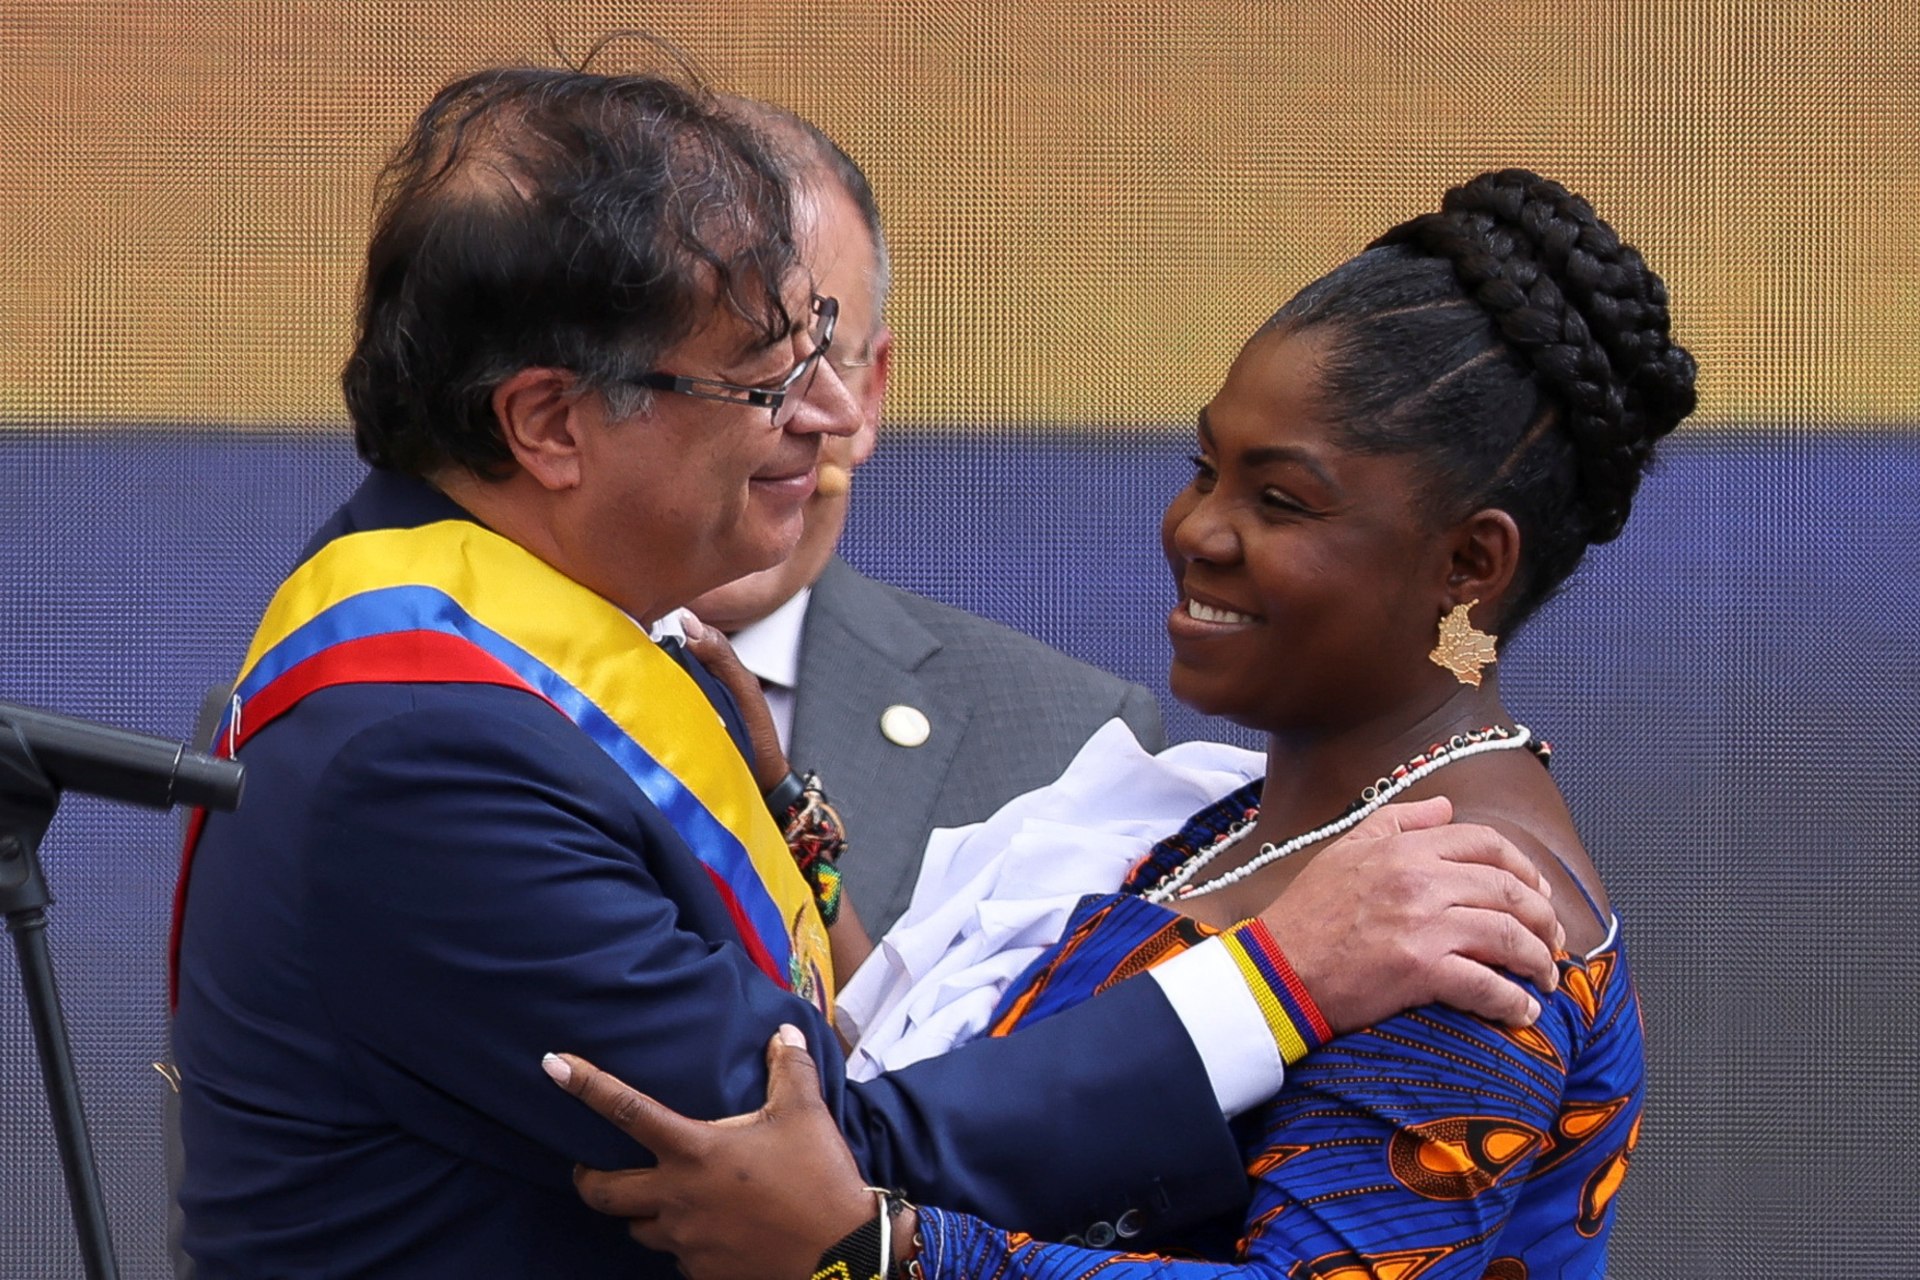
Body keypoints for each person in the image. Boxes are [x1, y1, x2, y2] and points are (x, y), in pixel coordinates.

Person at [167, 65, 1565, 1278]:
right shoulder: (431, 746)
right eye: (763, 378)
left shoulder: (522, 640)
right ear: (549, 423)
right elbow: (816, 1170)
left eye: (824, 353)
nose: (825, 416)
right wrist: (1276, 984)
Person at [551, 167, 1697, 1279]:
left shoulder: (1473, 918)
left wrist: (879, 1251)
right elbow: (967, 1072)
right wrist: (786, 824)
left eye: (1280, 500)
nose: (1197, 528)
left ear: (1470, 563)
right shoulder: (1226, 811)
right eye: (1205, 467)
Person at [689, 105, 1164, 934]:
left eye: (816, 361)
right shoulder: (455, 664)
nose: (775, 422)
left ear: (868, 393)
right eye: (735, 369)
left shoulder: (1069, 747)